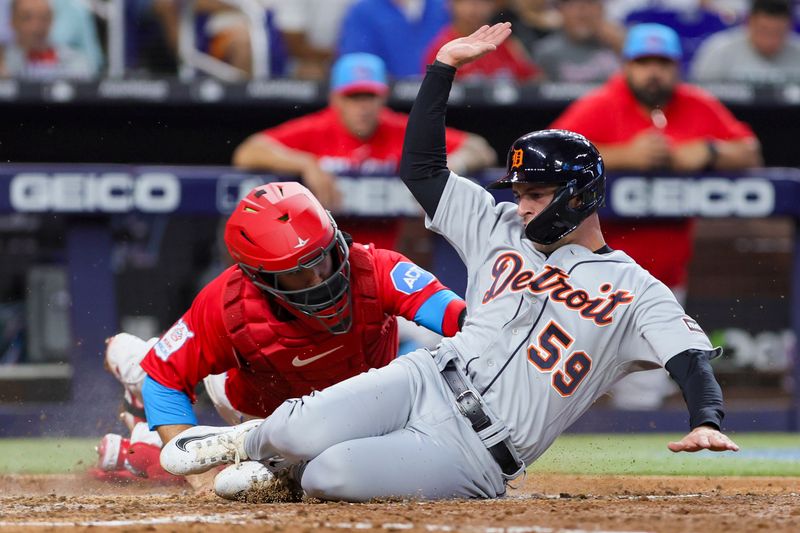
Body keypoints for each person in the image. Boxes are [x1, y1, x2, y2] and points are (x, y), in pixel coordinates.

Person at [160, 23, 739, 503]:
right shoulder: (499, 226)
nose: (522, 202)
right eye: (520, 189)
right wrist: (441, 70)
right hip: (426, 378)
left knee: (328, 475)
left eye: (536, 193)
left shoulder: (637, 290)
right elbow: (422, 172)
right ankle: (249, 441)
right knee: (293, 426)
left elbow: (689, 360)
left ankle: (288, 475)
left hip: (478, 451)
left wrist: (707, 419)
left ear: (580, 195)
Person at [93, 181, 468, 495]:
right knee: (240, 482)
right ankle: (134, 365)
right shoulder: (226, 304)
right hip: (256, 408)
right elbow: (164, 380)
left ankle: (141, 444)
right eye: (297, 273)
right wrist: (199, 478)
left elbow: (459, 317)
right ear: (260, 278)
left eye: (323, 257)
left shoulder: (377, 268)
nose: (321, 278)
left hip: (359, 411)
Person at [550, 22, 761, 409]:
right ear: (625, 65)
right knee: (561, 388)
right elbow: (548, 156)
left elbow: (750, 150)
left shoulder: (695, 103)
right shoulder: (601, 103)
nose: (653, 72)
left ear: (677, 67)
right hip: (591, 281)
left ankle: (625, 471)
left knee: (641, 397)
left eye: (662, 62)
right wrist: (621, 155)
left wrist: (710, 152)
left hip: (663, 282)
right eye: (643, 62)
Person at [233, 51, 495, 250]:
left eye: (369, 96)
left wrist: (452, 166)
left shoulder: (399, 127)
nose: (362, 107)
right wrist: (305, 163)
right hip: (325, 254)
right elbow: (248, 152)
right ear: (335, 98)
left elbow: (479, 147)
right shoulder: (318, 127)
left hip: (395, 257)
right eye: (353, 97)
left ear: (382, 97)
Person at [422, 0, 539, 81]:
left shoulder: (504, 42)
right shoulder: (443, 46)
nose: (475, 7)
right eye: (466, 1)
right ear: (451, 4)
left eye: (482, 1)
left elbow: (533, 79)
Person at [690, 0, 800, 83]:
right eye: (763, 30)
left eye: (778, 32)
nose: (769, 41)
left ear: (789, 27)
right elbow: (701, 98)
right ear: (749, 22)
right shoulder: (719, 50)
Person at [337, 0, 451, 78]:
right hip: (386, 100)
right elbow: (359, 64)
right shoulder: (363, 11)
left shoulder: (443, 6)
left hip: (443, 96)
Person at [532, 0, 623, 82]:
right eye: (572, 3)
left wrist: (620, 44)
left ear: (601, 9)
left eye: (589, 2)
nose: (582, 10)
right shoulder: (546, 52)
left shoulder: (618, 43)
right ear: (560, 10)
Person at [0, 0, 93, 79]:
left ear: (52, 20)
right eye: (27, 18)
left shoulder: (74, 62)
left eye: (43, 18)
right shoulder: (3, 60)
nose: (36, 27)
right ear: (12, 21)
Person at [273, 0, 356, 80]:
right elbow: (293, 41)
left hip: (345, 60)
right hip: (303, 62)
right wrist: (332, 56)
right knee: (310, 71)